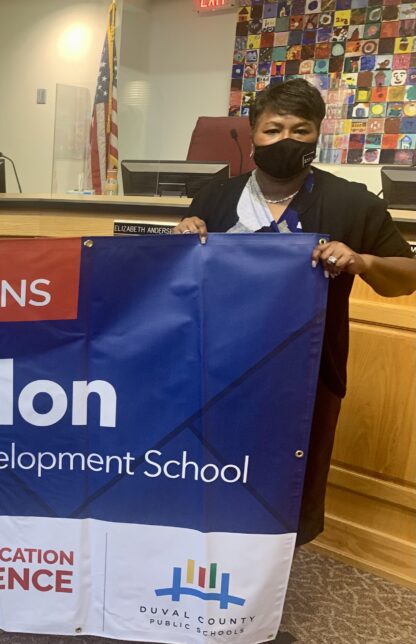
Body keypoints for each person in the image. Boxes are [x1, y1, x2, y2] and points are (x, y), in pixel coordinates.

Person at [176, 78, 416, 545]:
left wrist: (362, 260)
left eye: (300, 130)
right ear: (252, 135)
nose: (286, 140)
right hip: (213, 367)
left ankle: (266, 596)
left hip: (305, 374)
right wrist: (181, 241)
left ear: (316, 136)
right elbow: (175, 285)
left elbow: (407, 275)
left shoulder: (352, 202)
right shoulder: (215, 198)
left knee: (286, 484)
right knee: (209, 472)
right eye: (273, 129)